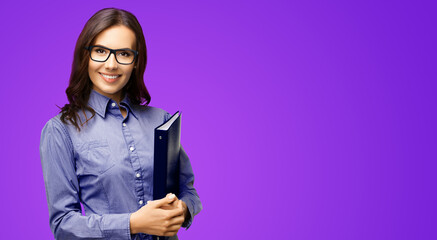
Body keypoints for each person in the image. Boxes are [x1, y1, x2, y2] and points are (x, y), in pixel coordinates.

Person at [39, 8, 202, 240]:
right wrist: (133, 223)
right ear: (86, 56)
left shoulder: (162, 120)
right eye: (101, 51)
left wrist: (183, 209)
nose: (111, 64)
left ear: (136, 61)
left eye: (124, 54)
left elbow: (188, 190)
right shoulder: (60, 131)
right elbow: (63, 224)